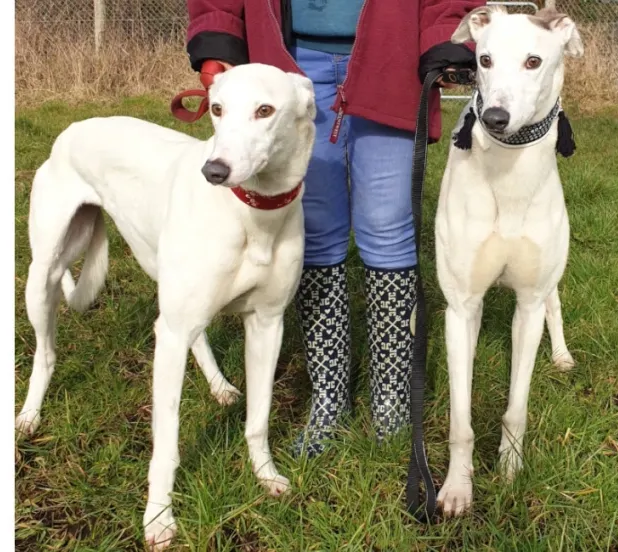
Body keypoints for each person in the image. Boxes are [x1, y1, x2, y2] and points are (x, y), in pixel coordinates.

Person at [186, 0, 484, 457]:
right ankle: (329, 395)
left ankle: (391, 398)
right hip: (284, 65)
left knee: (388, 227)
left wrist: (447, 37)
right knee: (315, 228)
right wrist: (218, 37)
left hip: (394, 59)